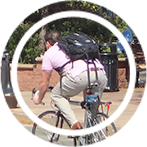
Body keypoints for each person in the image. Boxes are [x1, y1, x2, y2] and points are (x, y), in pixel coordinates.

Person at [32, 30, 107, 138]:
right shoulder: (71, 46)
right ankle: (98, 140)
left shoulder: (49, 53)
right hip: (100, 73)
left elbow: (44, 82)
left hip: (81, 75)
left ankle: (74, 123)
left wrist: (38, 99)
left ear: (47, 43)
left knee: (56, 94)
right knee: (92, 109)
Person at [117, 21, 139, 87]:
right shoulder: (128, 32)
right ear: (132, 25)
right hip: (122, 49)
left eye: (137, 26)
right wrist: (131, 52)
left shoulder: (129, 32)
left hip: (124, 49)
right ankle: (132, 80)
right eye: (135, 26)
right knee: (132, 62)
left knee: (133, 62)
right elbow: (127, 43)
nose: (136, 27)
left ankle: (133, 79)